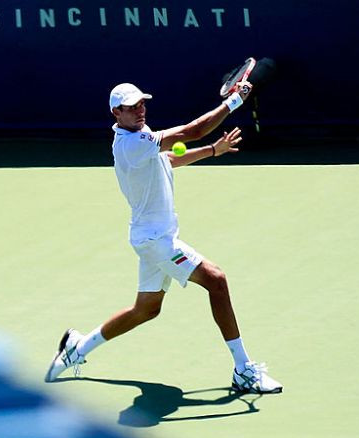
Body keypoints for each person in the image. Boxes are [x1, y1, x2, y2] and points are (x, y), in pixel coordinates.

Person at [44, 82, 281, 394]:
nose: (140, 110)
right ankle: (244, 370)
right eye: (132, 107)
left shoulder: (137, 138)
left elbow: (167, 160)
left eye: (142, 104)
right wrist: (234, 101)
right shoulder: (132, 143)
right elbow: (193, 130)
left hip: (151, 238)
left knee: (146, 310)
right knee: (217, 280)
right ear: (117, 113)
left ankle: (78, 347)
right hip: (158, 242)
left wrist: (213, 151)